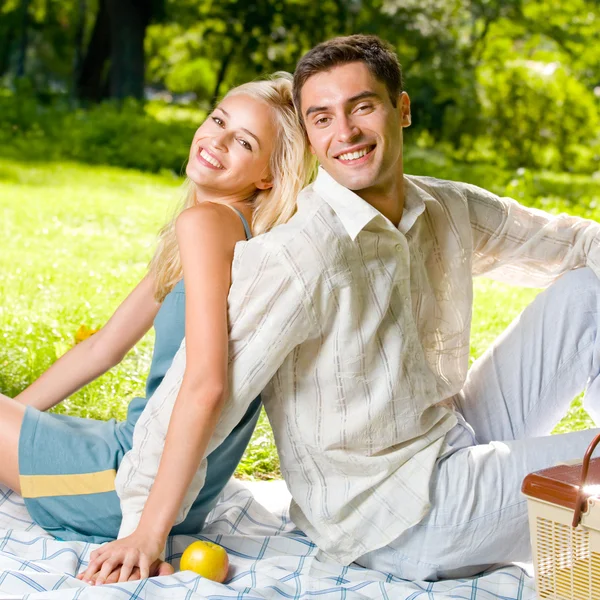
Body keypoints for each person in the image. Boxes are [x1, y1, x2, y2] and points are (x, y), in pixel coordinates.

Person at [82, 34, 600, 584]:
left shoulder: (443, 206)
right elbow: (198, 390)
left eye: (362, 107)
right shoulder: (297, 256)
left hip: (449, 437)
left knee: (588, 291)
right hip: (396, 519)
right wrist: (144, 530)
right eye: (322, 118)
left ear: (401, 109)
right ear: (308, 136)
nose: (345, 132)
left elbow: (571, 242)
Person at [0, 73, 315, 583]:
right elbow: (104, 347)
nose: (216, 139)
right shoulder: (223, 229)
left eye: (244, 142)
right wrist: (14, 421)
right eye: (218, 120)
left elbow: (208, 385)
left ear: (267, 177)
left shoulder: (207, 226)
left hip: (125, 485)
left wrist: (148, 532)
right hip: (170, 483)